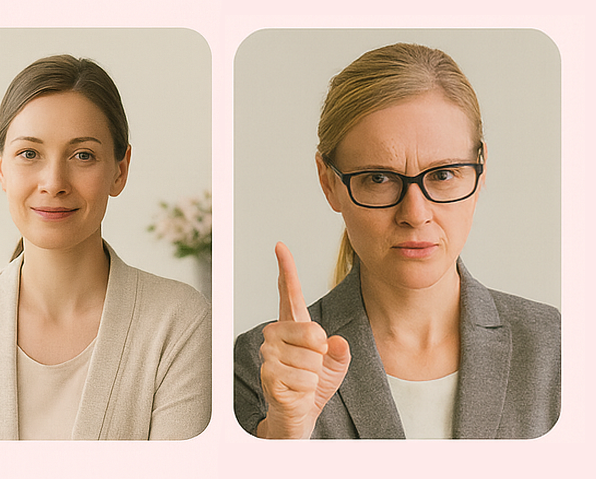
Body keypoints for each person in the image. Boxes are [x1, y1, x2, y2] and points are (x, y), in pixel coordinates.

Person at [233, 43, 560, 439]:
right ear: (329, 182)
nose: (415, 214)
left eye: (443, 175)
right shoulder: (259, 366)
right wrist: (286, 436)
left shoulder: (559, 349)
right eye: (378, 178)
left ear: (481, 171)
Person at [0, 55, 212, 440]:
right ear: (1, 166)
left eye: (82, 155)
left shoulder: (180, 321)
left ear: (120, 170)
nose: (54, 182)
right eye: (29, 154)